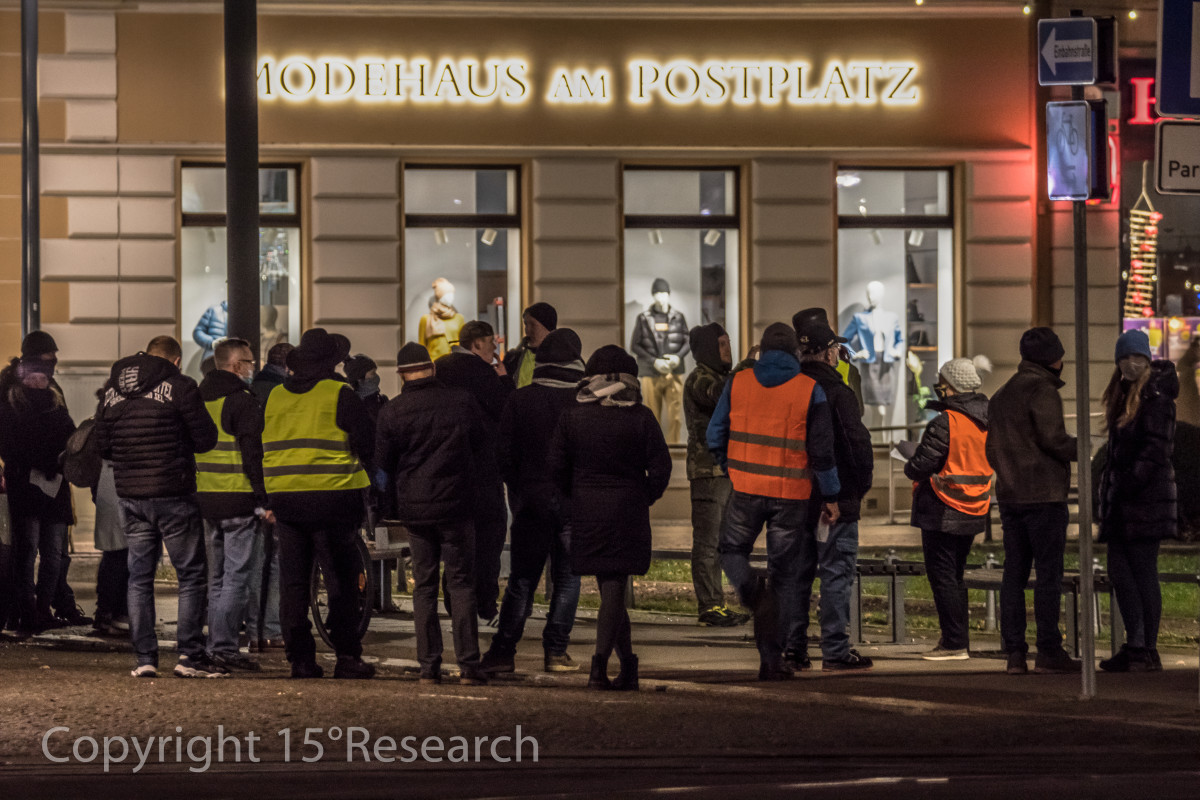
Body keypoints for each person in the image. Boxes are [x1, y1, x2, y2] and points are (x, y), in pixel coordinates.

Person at [707, 323, 841, 680]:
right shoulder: (809, 390)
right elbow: (822, 451)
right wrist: (831, 495)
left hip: (746, 488)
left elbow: (714, 433)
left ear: (762, 352)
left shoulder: (739, 382)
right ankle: (772, 660)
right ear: (796, 354)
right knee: (784, 577)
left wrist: (730, 467)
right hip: (792, 497)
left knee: (731, 551)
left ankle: (751, 589)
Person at [95, 335, 222, 678]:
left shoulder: (113, 391)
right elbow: (206, 439)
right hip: (173, 492)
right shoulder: (180, 385)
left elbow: (103, 445)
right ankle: (189, 656)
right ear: (175, 361)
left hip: (131, 495)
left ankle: (145, 658)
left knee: (139, 577)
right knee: (191, 575)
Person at [550, 345, 672, 690]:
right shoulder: (641, 417)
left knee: (610, 589)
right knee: (614, 588)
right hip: (627, 510)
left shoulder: (573, 416)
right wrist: (643, 496)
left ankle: (627, 666)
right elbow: (661, 467)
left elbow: (556, 467)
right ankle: (600, 666)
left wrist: (572, 502)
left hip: (587, 510)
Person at [263, 329, 376, 680]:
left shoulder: (276, 396)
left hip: (286, 501)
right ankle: (346, 655)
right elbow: (367, 444)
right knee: (340, 581)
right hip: (333, 499)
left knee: (294, 584)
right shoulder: (339, 393)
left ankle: (300, 659)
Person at [375, 343, 489, 685]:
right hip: (457, 506)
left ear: (401, 374)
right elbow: (481, 446)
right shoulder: (462, 402)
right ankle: (469, 664)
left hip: (416, 510)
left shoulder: (393, 412)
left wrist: (386, 505)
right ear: (433, 369)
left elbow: (382, 468)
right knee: (461, 583)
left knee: (423, 586)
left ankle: (429, 665)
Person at [482, 329, 586, 674]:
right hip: (571, 501)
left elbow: (503, 453)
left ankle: (502, 652)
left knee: (523, 578)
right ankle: (556, 652)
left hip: (530, 500)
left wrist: (519, 487)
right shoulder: (582, 400)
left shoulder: (521, 399)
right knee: (568, 577)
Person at [987, 327, 1080, 675]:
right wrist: (1084, 448)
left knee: (1014, 573)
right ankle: (1049, 650)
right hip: (1043, 496)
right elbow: (1054, 439)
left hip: (1011, 497)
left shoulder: (1001, 394)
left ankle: (1014, 653)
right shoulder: (1042, 390)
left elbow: (991, 448)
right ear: (1053, 359)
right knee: (1048, 576)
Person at [789, 320, 875, 672]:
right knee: (836, 573)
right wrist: (854, 489)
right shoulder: (838, 393)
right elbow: (856, 445)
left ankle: (793, 649)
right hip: (833, 497)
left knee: (797, 575)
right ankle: (836, 649)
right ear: (828, 352)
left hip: (793, 497)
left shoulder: (789, 388)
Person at [1098, 329, 1178, 673]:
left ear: (1146, 360)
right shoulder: (1124, 395)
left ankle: (1142, 647)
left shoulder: (1156, 398)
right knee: (1123, 572)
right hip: (1126, 503)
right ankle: (1139, 646)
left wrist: (1127, 483)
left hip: (1144, 502)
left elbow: (1155, 450)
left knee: (1141, 572)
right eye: (1125, 358)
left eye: (1136, 358)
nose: (1130, 364)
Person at [905, 357, 993, 661]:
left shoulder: (947, 421)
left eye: (942, 381)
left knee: (943, 576)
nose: (938, 387)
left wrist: (910, 461)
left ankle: (954, 643)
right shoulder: (985, 419)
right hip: (974, 506)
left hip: (943, 508)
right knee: (955, 576)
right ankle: (959, 640)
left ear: (951, 386)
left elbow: (920, 466)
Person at [0, 331, 81, 636]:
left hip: (53, 481)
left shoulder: (54, 389)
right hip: (27, 482)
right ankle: (26, 612)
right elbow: (9, 439)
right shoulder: (8, 389)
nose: (53, 363)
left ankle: (43, 609)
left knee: (54, 551)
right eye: (49, 357)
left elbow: (66, 427)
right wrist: (40, 461)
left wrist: (63, 458)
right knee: (28, 549)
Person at [195, 337, 268, 672]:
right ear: (237, 365)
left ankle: (213, 645)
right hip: (238, 499)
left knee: (216, 577)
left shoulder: (198, 397)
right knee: (236, 576)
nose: (254, 367)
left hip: (204, 499)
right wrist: (263, 499)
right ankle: (224, 647)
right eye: (251, 362)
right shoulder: (242, 401)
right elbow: (253, 455)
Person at [435, 320, 514, 621]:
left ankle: (453, 599)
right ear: (477, 344)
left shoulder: (440, 366)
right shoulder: (483, 373)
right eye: (492, 343)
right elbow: (506, 411)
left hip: (447, 468)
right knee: (489, 536)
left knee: (456, 540)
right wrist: (505, 379)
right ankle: (484, 604)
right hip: (482, 468)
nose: (495, 349)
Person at [682, 323, 749, 628]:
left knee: (725, 541)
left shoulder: (723, 377)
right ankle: (709, 605)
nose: (728, 349)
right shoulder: (700, 378)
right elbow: (717, 396)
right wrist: (745, 369)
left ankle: (718, 603)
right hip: (708, 472)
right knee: (708, 542)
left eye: (729, 343)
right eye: (723, 344)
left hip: (727, 468)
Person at [503, 302, 557, 389]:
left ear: (548, 328)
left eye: (533, 325)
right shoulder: (513, 358)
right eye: (526, 324)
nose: (527, 330)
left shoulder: (562, 358)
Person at [342, 353, 388, 423]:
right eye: (373, 373)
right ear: (359, 379)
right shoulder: (352, 405)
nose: (377, 377)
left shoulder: (382, 400)